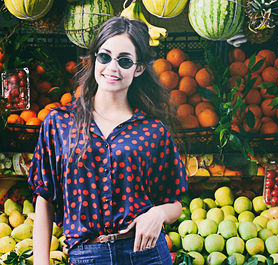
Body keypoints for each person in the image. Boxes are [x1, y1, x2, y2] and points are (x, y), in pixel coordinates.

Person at [28, 16, 188, 265]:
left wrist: (157, 214)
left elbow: (174, 201)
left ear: (139, 68)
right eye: (105, 56)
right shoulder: (59, 122)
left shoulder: (153, 131)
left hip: (145, 253)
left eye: (124, 61)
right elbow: (44, 199)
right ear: (93, 59)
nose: (112, 68)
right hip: (87, 255)